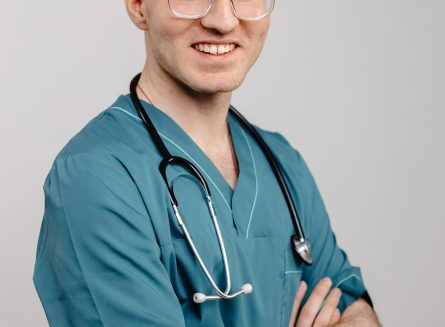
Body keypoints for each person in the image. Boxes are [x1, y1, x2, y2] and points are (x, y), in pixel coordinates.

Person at [33, 0, 381, 326]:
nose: (223, 20)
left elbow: (355, 306)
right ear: (138, 5)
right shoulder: (95, 177)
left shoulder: (282, 164)